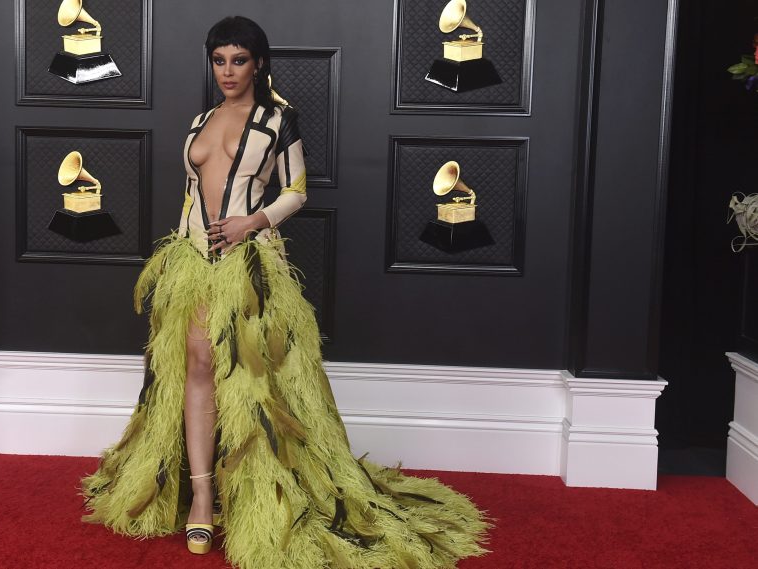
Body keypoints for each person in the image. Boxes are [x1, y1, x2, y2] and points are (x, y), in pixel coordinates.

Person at [80, 15, 490, 569]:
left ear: (259, 63)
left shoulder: (278, 119)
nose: (228, 71)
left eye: (239, 60)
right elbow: (189, 196)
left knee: (255, 382)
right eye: (220, 60)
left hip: (251, 263)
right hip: (191, 263)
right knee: (196, 366)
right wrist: (178, 261)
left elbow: (297, 191)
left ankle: (258, 495)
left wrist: (254, 222)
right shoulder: (200, 120)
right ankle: (203, 495)